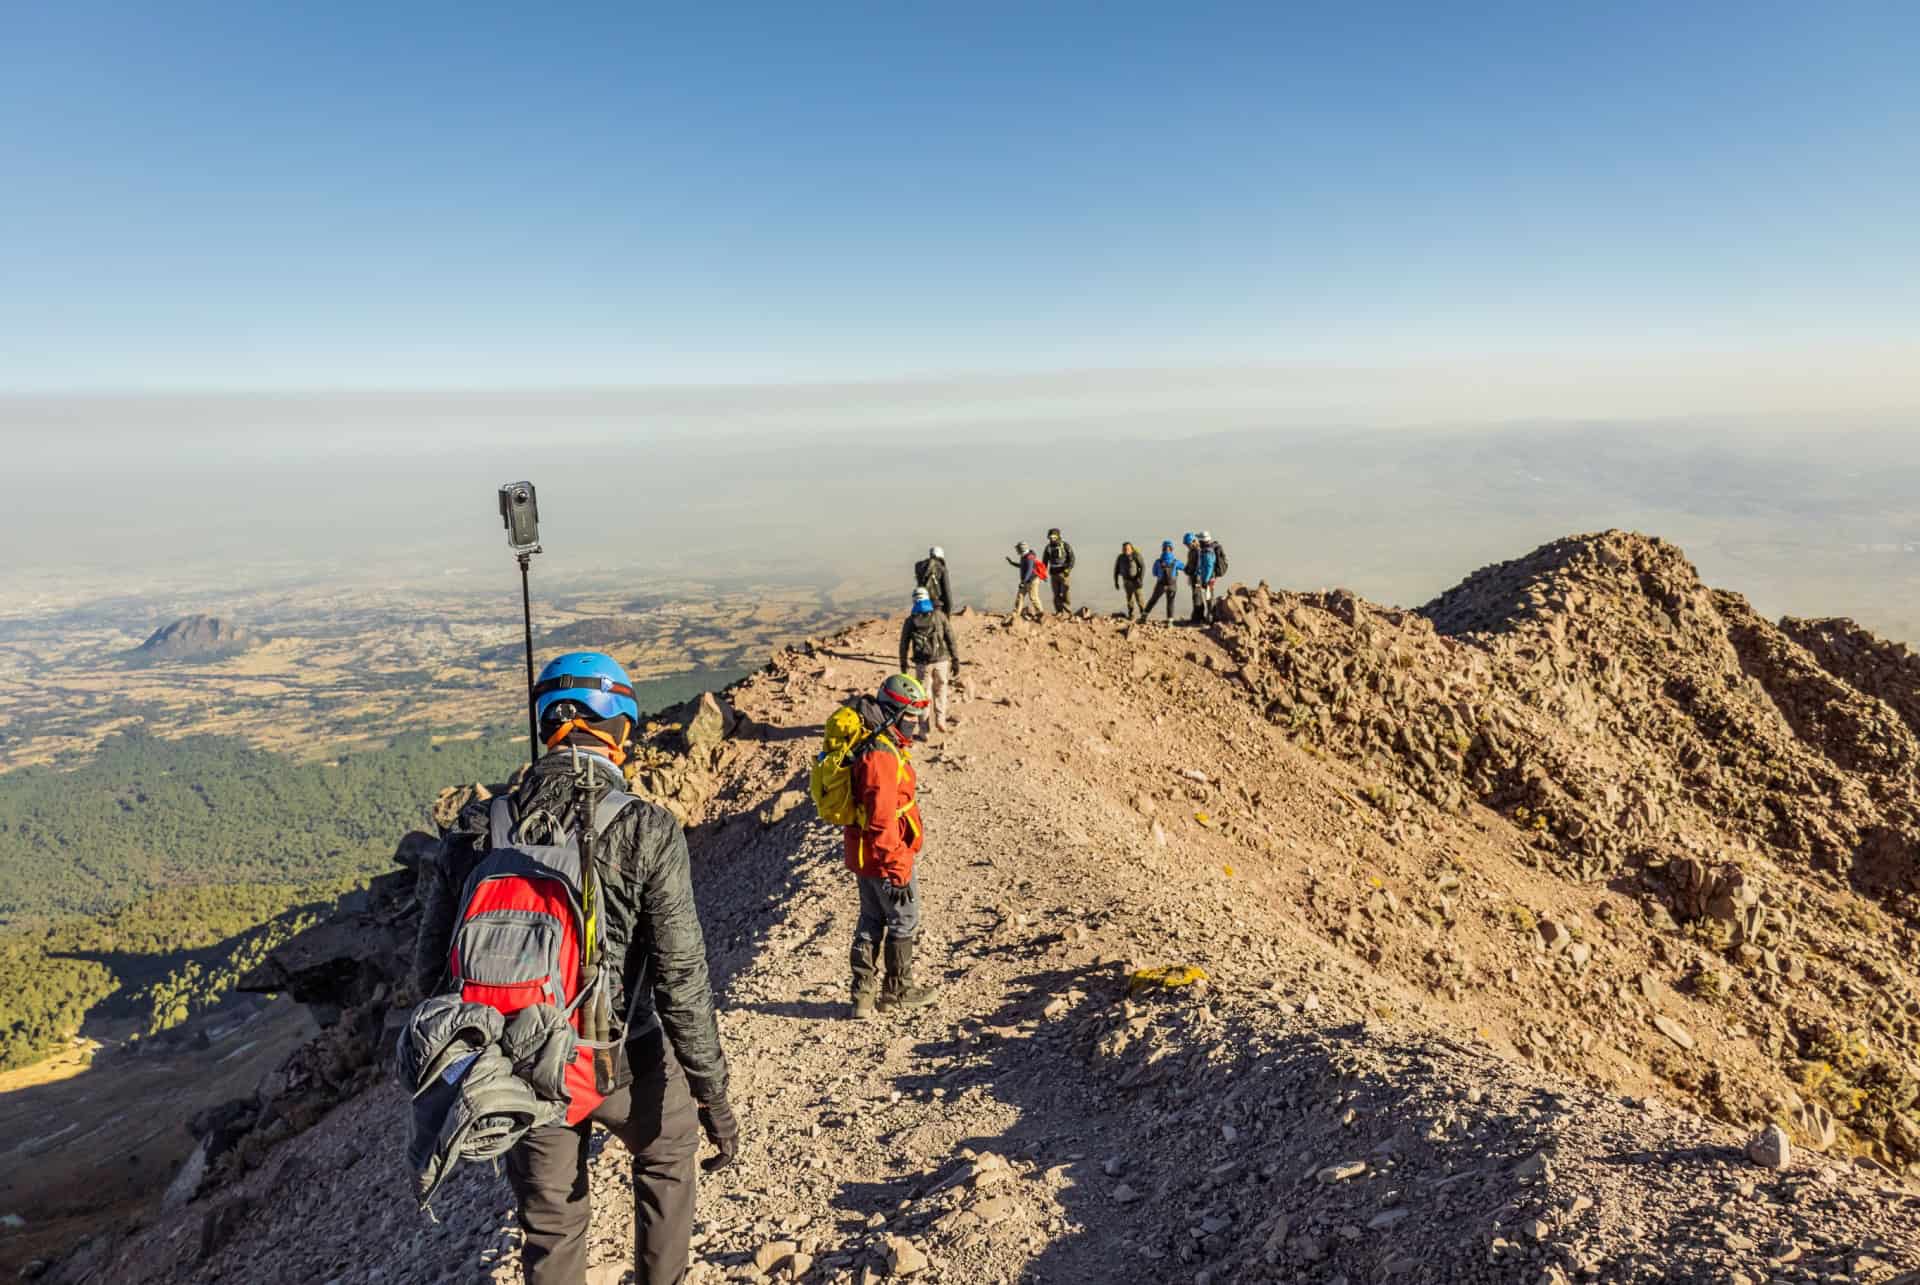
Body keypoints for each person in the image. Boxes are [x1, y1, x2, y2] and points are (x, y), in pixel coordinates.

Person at [412, 651, 738, 1285]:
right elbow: (682, 983)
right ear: (618, 724)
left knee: (552, 1226)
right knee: (668, 1154)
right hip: (623, 1055)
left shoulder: (480, 829)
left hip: (524, 1066)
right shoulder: (647, 828)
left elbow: (431, 977)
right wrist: (713, 1096)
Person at [844, 674, 937, 1020]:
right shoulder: (881, 756)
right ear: (895, 713)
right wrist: (898, 868)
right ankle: (897, 992)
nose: (916, 724)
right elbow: (883, 818)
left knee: (871, 918)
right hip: (885, 855)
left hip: (864, 854)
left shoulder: (874, 743)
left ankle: (863, 997)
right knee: (904, 919)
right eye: (911, 717)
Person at [897, 588, 962, 733]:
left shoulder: (911, 620)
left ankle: (924, 731)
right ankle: (940, 720)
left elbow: (904, 644)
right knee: (941, 691)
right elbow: (950, 638)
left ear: (914, 600)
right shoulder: (939, 615)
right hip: (941, 661)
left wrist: (903, 664)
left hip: (922, 664)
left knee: (923, 696)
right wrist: (955, 659)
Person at [1144, 540, 1183, 623]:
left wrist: (1160, 573)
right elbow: (1184, 568)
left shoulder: (1158, 562)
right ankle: (1170, 622)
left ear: (1162, 549)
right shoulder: (1176, 562)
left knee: (1153, 600)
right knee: (1170, 603)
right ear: (1172, 549)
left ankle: (1143, 617)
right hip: (1172, 585)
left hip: (1160, 585)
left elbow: (1154, 573)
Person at [1006, 541, 1045, 620]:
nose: (1017, 550)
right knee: (1020, 596)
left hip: (1032, 581)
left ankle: (1040, 612)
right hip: (1026, 581)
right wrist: (1012, 563)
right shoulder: (1024, 556)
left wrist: (1023, 582)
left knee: (1033, 597)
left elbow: (1029, 570)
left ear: (1021, 549)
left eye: (1017, 549)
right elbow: (1022, 566)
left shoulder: (1029, 557)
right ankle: (1016, 613)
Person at [1183, 531, 1216, 624]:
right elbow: (1191, 563)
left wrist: (1202, 579)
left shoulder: (1199, 551)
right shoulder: (1194, 551)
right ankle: (1200, 616)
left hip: (1201, 578)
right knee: (1198, 596)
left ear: (1193, 541)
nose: (1187, 546)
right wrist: (1187, 569)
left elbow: (1202, 566)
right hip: (1198, 577)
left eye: (1188, 544)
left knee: (1204, 597)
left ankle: (1202, 618)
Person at [1043, 527, 1076, 613]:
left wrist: (1068, 569)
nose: (1052, 539)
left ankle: (1068, 609)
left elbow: (1072, 558)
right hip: (1053, 573)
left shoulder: (1065, 545)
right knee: (1056, 594)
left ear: (1058, 536)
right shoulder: (1048, 548)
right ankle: (1059, 612)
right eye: (1050, 537)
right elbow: (1044, 562)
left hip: (1063, 573)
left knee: (1066, 592)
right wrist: (1043, 573)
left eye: (1053, 537)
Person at [913, 546, 953, 615]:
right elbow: (947, 593)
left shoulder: (921, 568)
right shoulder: (941, 569)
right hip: (937, 606)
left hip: (922, 605)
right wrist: (948, 612)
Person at [1113, 542, 1146, 621]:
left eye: (1127, 548)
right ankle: (1131, 615)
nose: (1125, 550)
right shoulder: (1120, 557)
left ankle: (1144, 616)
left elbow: (1143, 567)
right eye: (1124, 549)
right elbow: (1116, 570)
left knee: (1139, 599)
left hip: (1136, 581)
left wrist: (1140, 579)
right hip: (1126, 581)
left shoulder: (1136, 555)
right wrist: (1116, 582)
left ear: (1131, 548)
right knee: (1129, 599)